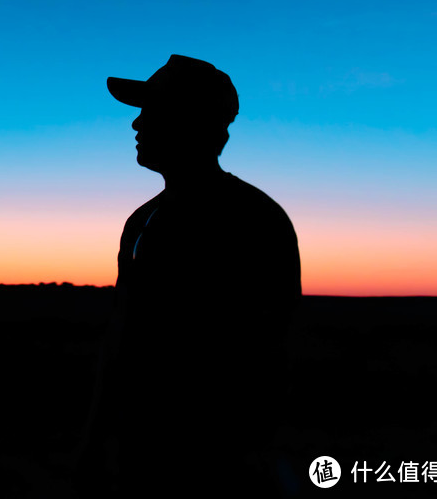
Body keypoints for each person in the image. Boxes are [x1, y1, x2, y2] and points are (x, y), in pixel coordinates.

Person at [73, 55, 302, 497]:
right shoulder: (142, 220)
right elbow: (121, 339)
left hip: (213, 464)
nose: (136, 125)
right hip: (140, 454)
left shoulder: (252, 219)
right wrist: (96, 439)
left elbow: (270, 348)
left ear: (194, 121)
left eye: (152, 110)